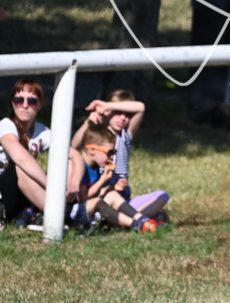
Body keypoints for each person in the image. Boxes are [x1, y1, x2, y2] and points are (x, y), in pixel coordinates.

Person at [71, 90, 169, 218]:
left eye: (127, 114)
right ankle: (134, 220)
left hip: (124, 200)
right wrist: (87, 122)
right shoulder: (98, 136)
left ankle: (128, 219)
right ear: (106, 113)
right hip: (102, 197)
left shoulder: (125, 135)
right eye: (118, 113)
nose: (123, 118)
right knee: (109, 201)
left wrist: (108, 106)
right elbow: (74, 145)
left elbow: (141, 108)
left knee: (162, 196)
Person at [0, 79, 84, 229]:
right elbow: (21, 157)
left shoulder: (41, 130)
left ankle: (57, 211)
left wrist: (74, 183)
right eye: (19, 100)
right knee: (21, 167)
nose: (25, 105)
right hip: (4, 195)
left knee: (68, 162)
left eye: (32, 101)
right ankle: (63, 216)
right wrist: (53, 187)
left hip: (24, 195)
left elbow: (75, 155)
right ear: (12, 103)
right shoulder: (5, 125)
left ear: (40, 106)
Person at [70, 125, 160, 233]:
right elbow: (83, 198)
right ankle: (136, 225)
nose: (112, 157)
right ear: (92, 150)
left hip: (85, 210)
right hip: (71, 215)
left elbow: (95, 193)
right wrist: (102, 181)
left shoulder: (95, 167)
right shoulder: (81, 167)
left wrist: (112, 187)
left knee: (112, 194)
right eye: (109, 152)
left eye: (113, 153)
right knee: (98, 202)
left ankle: (141, 219)